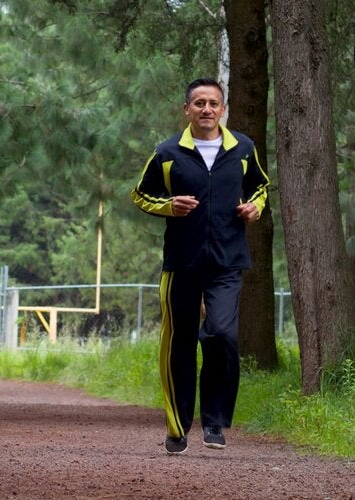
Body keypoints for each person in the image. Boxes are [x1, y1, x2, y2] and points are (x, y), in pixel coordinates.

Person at [130, 78, 270, 455]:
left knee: (222, 335)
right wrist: (168, 205)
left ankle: (215, 421)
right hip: (182, 263)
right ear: (187, 110)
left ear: (223, 110)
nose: (206, 109)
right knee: (179, 343)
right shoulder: (167, 152)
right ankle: (178, 426)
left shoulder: (242, 148)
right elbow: (140, 194)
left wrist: (254, 208)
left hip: (227, 260)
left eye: (213, 103)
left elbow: (260, 186)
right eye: (199, 103)